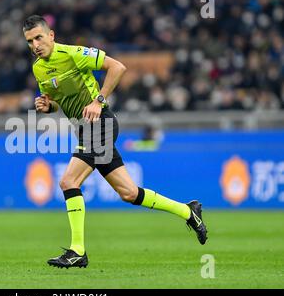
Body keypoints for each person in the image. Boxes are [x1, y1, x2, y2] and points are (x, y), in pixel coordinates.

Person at [23, 15, 208, 268]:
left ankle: (77, 250)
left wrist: (98, 101)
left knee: (68, 181)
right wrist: (48, 106)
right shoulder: (38, 68)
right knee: (129, 193)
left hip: (100, 125)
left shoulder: (73, 53)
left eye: (39, 37)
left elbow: (118, 67)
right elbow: (58, 101)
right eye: (30, 41)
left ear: (51, 35)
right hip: (85, 129)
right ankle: (189, 212)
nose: (35, 44)